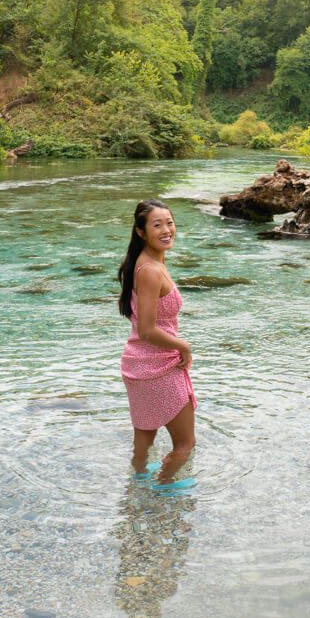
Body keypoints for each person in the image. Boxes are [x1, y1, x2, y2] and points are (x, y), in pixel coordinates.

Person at [117, 199, 197, 486]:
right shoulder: (149, 270)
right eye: (157, 225)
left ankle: (136, 494)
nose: (167, 230)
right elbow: (147, 328)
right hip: (156, 366)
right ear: (140, 232)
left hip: (140, 363)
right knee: (185, 444)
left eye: (170, 222)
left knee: (144, 443)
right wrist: (183, 346)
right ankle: (162, 493)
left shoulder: (149, 263)